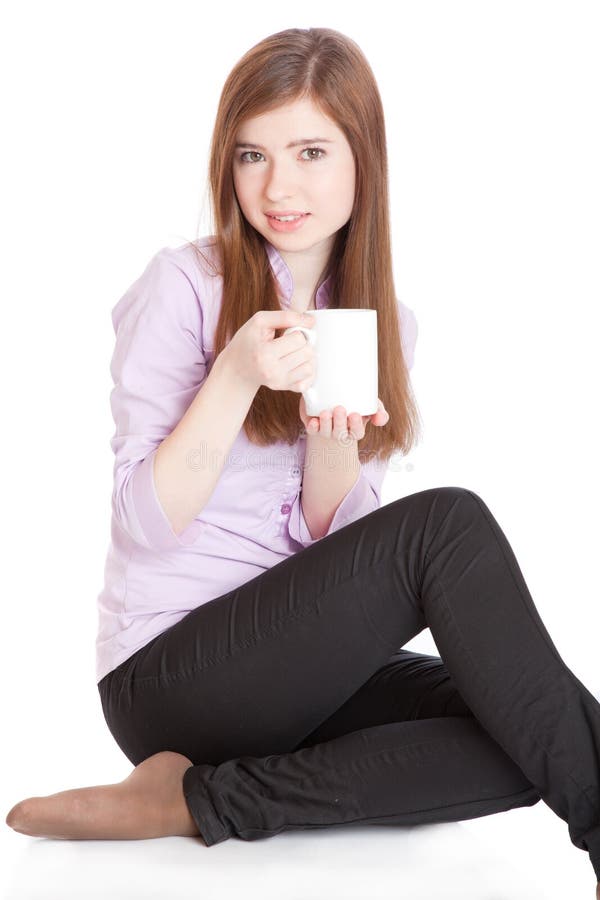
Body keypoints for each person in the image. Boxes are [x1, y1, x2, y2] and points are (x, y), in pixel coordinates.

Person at [5, 26, 600, 895]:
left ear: (364, 160)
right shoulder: (184, 286)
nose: (279, 186)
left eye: (311, 152)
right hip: (168, 679)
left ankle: (201, 800)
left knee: (523, 728)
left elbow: (338, 558)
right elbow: (143, 517)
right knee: (450, 524)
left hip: (296, 675)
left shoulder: (382, 322)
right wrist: (237, 374)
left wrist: (333, 446)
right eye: (254, 154)